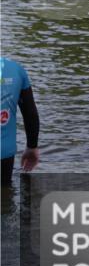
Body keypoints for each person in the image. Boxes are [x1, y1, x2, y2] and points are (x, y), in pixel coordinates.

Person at [1, 57, 40, 186]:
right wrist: (32, 147)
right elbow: (30, 114)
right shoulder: (16, 70)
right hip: (4, 154)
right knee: (4, 193)